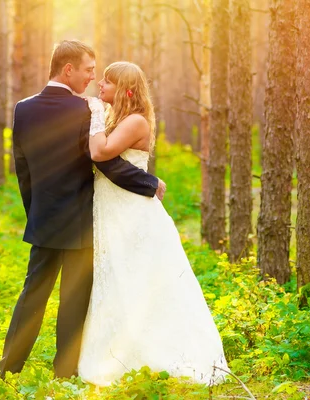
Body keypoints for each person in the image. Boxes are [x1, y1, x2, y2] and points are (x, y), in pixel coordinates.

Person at [0, 41, 166, 379]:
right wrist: (148, 183)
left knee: (33, 296)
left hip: (45, 218)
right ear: (68, 69)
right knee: (73, 302)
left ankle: (7, 370)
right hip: (82, 221)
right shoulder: (86, 110)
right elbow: (105, 164)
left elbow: (23, 168)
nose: (91, 77)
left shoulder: (23, 109)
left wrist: (37, 212)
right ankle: (65, 375)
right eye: (88, 69)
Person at [78, 61, 230, 386]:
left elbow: (100, 152)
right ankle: (119, 354)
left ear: (126, 90)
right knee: (117, 278)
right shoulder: (117, 119)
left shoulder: (134, 121)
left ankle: (154, 355)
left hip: (131, 212)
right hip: (112, 207)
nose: (100, 85)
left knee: (138, 278)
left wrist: (91, 115)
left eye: (108, 81)